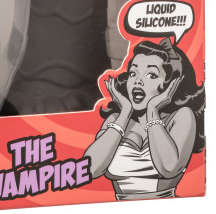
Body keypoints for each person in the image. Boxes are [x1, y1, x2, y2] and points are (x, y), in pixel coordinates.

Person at [84, 38, 205, 200]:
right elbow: (89, 169)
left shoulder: (181, 116)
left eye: (151, 75)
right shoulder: (116, 119)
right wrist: (125, 111)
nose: (137, 81)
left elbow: (169, 168)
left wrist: (152, 110)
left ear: (171, 83)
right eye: (133, 73)